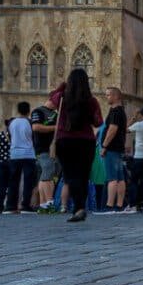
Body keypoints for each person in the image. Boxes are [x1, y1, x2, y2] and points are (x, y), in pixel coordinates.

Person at [50, 67, 102, 223]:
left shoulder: (62, 98)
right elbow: (98, 122)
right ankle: (80, 207)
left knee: (70, 175)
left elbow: (50, 102)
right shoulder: (92, 101)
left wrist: (61, 87)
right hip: (86, 141)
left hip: (65, 140)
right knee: (83, 175)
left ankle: (78, 208)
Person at [3, 101, 38, 214]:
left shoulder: (11, 122)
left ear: (18, 110)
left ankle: (10, 206)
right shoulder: (30, 122)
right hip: (28, 154)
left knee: (13, 181)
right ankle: (25, 206)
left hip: (14, 154)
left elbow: (8, 137)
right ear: (29, 111)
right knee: (28, 181)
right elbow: (34, 138)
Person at [100, 86, 130, 213]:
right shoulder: (121, 111)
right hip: (118, 148)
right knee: (120, 178)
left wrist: (105, 146)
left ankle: (110, 205)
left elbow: (112, 130)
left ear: (116, 96)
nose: (106, 97)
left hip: (112, 148)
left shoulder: (115, 111)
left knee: (112, 178)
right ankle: (119, 205)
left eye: (108, 95)